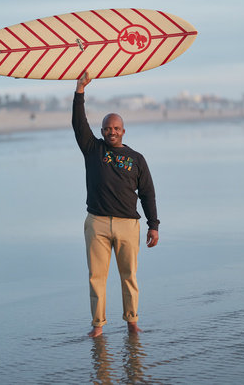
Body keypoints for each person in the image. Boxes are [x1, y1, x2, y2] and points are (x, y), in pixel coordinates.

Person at [72, 71, 159, 338]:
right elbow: (78, 124)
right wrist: (79, 91)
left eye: (116, 128)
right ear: (102, 132)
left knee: (128, 277)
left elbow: (147, 193)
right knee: (96, 277)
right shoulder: (92, 149)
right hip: (97, 222)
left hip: (127, 225)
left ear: (123, 131)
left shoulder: (136, 158)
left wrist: (153, 226)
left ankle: (132, 322)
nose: (112, 132)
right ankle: (97, 326)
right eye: (108, 128)